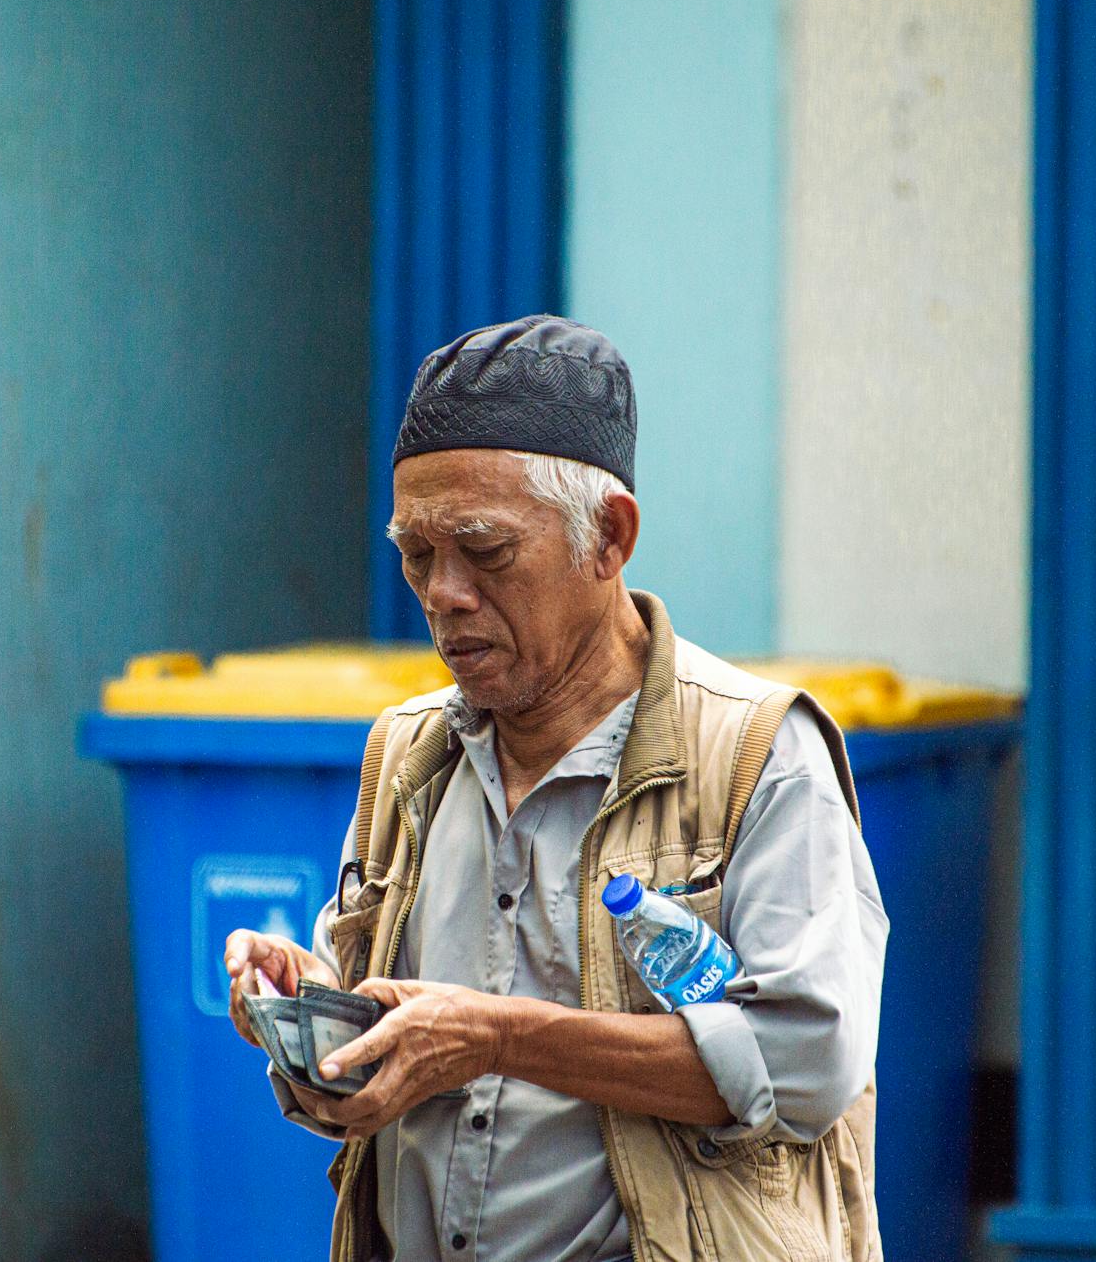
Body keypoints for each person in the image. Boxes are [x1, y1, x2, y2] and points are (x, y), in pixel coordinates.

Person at [223, 316, 887, 1262]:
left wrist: (496, 1037)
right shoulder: (408, 753)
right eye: (416, 554)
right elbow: (384, 1044)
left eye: (486, 551)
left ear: (608, 537)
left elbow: (808, 1059)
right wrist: (310, 1011)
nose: (444, 592)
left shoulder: (754, 753)